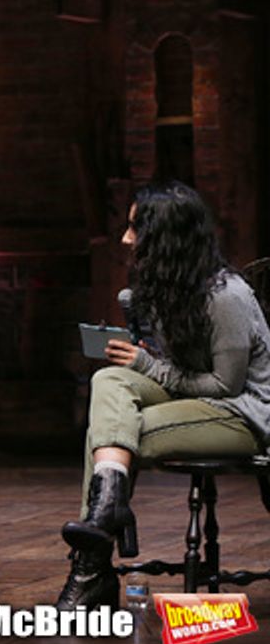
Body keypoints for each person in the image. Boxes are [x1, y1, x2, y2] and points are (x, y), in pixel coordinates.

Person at [55, 180, 270, 609]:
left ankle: (91, 566)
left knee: (114, 435)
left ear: (166, 237)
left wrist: (146, 364)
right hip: (194, 400)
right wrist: (141, 356)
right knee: (107, 383)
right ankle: (107, 510)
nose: (125, 239)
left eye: (136, 229)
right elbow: (176, 369)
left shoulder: (226, 296)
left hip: (243, 413)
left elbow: (224, 385)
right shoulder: (160, 288)